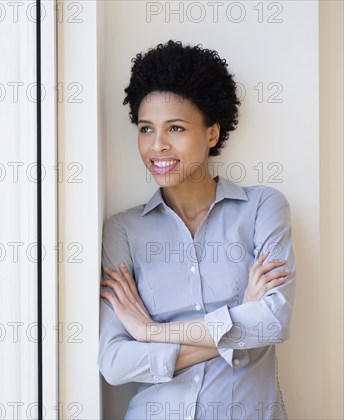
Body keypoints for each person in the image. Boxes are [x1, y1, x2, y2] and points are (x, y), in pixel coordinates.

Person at [98, 40, 296, 420]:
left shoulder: (262, 209)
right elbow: (115, 362)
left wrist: (151, 333)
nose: (157, 146)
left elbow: (273, 321)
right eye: (145, 128)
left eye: (175, 128)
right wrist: (239, 320)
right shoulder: (122, 232)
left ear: (211, 134)